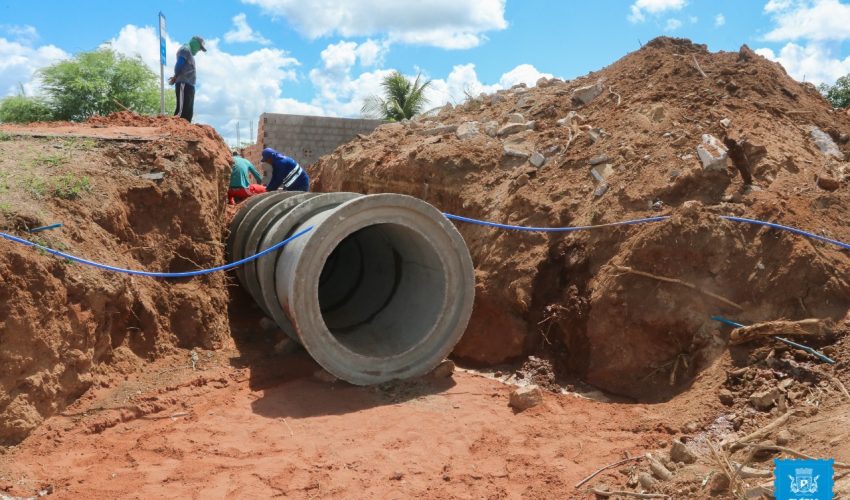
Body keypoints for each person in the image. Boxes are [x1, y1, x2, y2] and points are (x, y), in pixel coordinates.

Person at [168, 35, 206, 122]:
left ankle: (186, 131)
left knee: (188, 112)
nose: (199, 50)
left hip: (189, 85)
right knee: (181, 112)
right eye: (200, 47)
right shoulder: (185, 49)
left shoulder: (189, 52)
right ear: (195, 43)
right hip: (183, 83)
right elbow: (179, 64)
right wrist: (175, 76)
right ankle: (175, 129)